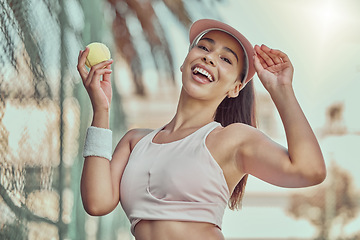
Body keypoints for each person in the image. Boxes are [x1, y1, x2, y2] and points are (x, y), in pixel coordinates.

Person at [77, 19, 326, 240]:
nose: (209, 57)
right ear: (184, 63)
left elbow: (309, 171)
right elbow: (96, 202)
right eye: (204, 47)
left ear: (235, 88)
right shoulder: (134, 141)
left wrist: (281, 90)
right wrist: (101, 110)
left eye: (226, 59)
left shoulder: (232, 139)